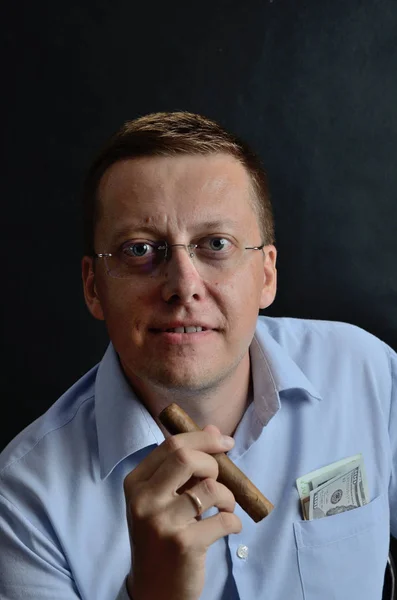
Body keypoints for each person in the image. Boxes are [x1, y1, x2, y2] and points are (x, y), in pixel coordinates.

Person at [0, 111, 395, 600]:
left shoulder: (366, 372)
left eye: (215, 244)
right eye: (140, 249)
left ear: (266, 275)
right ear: (93, 287)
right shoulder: (20, 502)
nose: (183, 286)